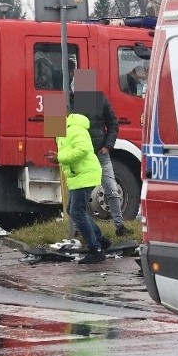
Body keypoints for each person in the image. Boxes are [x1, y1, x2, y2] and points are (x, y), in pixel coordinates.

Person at [68, 60, 132, 237]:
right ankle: (81, 228)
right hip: (80, 156)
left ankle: (119, 226)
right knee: (78, 196)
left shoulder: (99, 99)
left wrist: (107, 146)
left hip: (98, 152)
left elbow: (113, 123)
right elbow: (55, 129)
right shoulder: (65, 100)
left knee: (111, 189)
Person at [46, 111, 108, 264]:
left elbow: (83, 149)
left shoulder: (74, 129)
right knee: (72, 210)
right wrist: (58, 157)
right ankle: (101, 240)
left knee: (77, 211)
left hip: (85, 174)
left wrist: (59, 157)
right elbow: (70, 151)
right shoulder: (62, 133)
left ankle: (96, 249)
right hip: (78, 175)